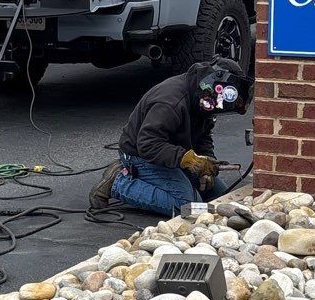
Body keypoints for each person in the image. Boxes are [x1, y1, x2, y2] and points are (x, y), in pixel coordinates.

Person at [90, 59, 251, 217]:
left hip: (172, 153)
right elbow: (148, 144)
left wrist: (206, 165)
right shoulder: (170, 102)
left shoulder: (204, 98)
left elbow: (203, 137)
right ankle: (118, 183)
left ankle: (154, 179)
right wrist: (187, 159)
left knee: (219, 197)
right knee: (189, 208)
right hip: (140, 155)